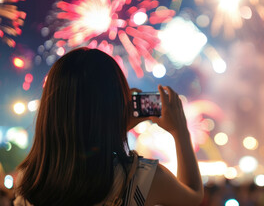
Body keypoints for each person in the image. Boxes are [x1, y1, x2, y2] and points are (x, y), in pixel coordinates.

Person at [13, 48, 203, 206]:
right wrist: (180, 132)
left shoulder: (28, 181)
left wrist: (114, 126)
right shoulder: (142, 178)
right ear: (116, 105)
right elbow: (193, 196)